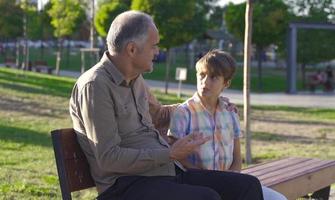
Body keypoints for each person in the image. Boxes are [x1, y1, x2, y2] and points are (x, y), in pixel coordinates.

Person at [69, 10, 264, 200]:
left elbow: (161, 114)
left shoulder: (135, 80)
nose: (157, 51)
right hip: (126, 186)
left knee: (247, 185)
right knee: (207, 197)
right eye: (154, 46)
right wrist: (169, 154)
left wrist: (208, 103)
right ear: (131, 49)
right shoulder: (95, 86)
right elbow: (108, 158)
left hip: (165, 174)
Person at [167, 50, 287, 200]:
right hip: (197, 182)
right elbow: (175, 156)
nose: (205, 82)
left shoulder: (230, 112)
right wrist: (210, 176)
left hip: (228, 180)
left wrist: (233, 175)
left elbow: (237, 155)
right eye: (202, 75)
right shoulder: (184, 112)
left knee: (278, 199)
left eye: (213, 77)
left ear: (226, 83)